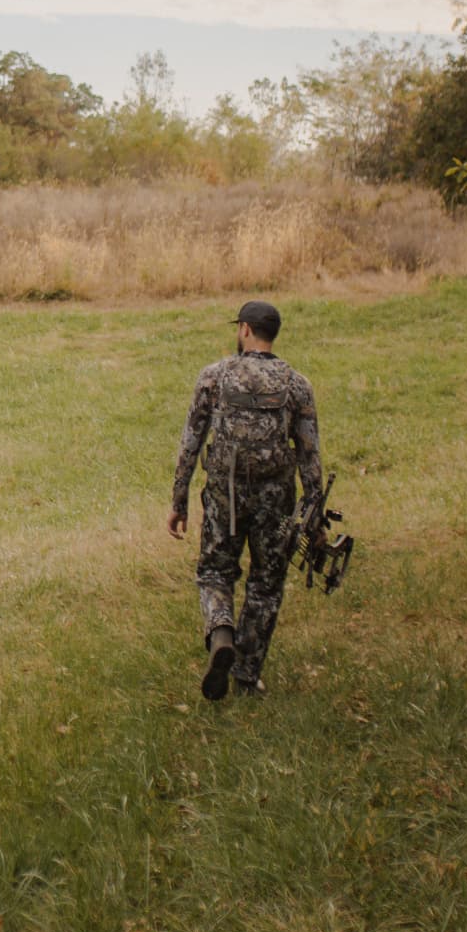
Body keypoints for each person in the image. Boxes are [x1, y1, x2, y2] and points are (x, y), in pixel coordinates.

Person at [167, 300, 323, 700]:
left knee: (216, 572)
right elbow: (309, 453)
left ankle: (221, 633)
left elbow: (190, 442)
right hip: (276, 498)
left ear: (245, 330)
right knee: (266, 585)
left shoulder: (214, 376)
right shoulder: (296, 384)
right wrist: (314, 508)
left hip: (224, 495)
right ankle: (247, 676)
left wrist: (179, 500)